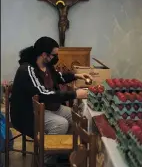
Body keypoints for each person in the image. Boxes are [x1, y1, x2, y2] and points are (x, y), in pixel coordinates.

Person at [10, 36, 91, 165]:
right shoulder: (27, 69)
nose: (56, 58)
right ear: (44, 55)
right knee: (61, 124)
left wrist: (76, 75)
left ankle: (60, 152)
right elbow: (43, 94)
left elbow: (58, 77)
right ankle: (47, 160)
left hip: (45, 108)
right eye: (54, 55)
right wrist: (75, 94)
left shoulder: (47, 66)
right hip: (27, 114)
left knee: (75, 117)